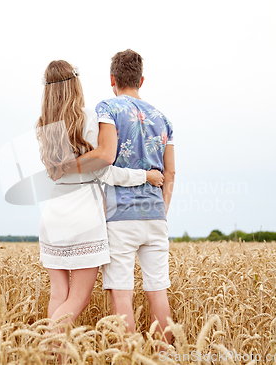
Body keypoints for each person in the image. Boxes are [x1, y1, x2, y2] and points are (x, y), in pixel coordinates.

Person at [35, 60, 164, 328]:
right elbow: (107, 169)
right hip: (84, 210)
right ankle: (42, 343)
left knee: (59, 294)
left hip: (53, 211)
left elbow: (55, 171)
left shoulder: (43, 125)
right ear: (75, 83)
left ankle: (57, 358)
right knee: (79, 300)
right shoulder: (90, 118)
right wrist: (146, 176)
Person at [95, 49, 175, 343]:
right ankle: (168, 356)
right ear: (141, 79)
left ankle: (129, 356)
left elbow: (104, 161)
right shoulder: (163, 118)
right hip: (156, 215)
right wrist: (161, 210)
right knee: (157, 291)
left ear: (112, 79)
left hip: (120, 218)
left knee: (122, 293)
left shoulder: (107, 108)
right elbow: (171, 173)